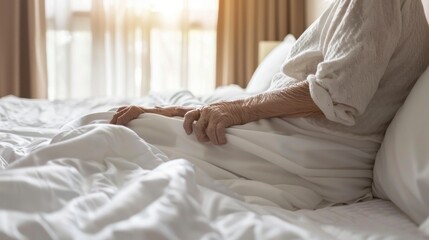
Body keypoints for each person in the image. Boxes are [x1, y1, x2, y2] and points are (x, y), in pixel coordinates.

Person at [110, 0, 429, 209]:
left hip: (311, 152)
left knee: (118, 133)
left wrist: (235, 110)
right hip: (298, 138)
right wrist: (183, 110)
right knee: (126, 124)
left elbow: (334, 93)